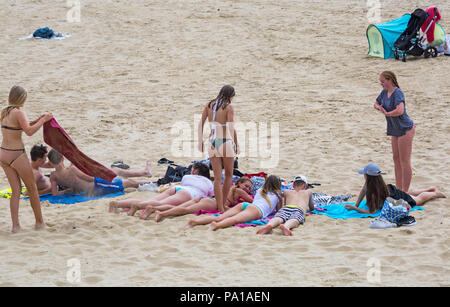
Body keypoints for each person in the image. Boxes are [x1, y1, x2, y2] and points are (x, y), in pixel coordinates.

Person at [0, 85, 53, 232]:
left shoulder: (5, 112)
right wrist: (43, 121)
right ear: (22, 98)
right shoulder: (19, 112)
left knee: (15, 191)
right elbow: (29, 131)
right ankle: (39, 223)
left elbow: (21, 126)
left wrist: (39, 118)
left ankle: (15, 226)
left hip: (3, 154)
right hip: (16, 154)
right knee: (32, 188)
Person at [109, 162, 213, 218]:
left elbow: (183, 184)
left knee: (154, 200)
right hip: (188, 194)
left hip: (177, 188)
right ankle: (139, 206)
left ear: (195, 172)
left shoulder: (187, 177)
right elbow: (211, 195)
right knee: (159, 203)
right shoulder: (208, 182)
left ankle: (118, 204)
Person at [185, 175, 282, 231]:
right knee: (235, 219)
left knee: (219, 217)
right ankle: (216, 226)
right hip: (256, 210)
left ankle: (195, 222)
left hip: (246, 206)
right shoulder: (278, 195)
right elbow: (278, 210)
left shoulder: (261, 190)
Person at [198, 85, 239, 213]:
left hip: (212, 142)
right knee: (228, 174)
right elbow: (231, 128)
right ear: (230, 95)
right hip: (225, 141)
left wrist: (200, 141)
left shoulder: (209, 105)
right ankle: (222, 204)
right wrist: (237, 143)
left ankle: (220, 207)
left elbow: (201, 123)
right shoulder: (228, 107)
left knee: (216, 178)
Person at [345, 163, 446, 214]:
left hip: (396, 200)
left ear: (368, 176)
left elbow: (372, 212)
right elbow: (363, 191)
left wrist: (355, 208)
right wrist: (356, 204)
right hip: (391, 193)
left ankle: (435, 193)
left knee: (417, 200)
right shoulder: (373, 183)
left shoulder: (374, 192)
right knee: (409, 193)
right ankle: (429, 188)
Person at [374, 71, 415, 192]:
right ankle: (399, 189)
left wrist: (388, 114)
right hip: (394, 129)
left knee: (404, 161)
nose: (381, 84)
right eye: (380, 82)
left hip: (405, 128)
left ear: (390, 80)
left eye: (383, 81)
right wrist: (379, 108)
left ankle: (405, 192)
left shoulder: (397, 93)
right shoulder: (384, 92)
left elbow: (400, 110)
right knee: (396, 159)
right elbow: (376, 103)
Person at [47, 149, 149, 196]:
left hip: (91, 189)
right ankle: (157, 181)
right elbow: (90, 178)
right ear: (63, 159)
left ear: (51, 163)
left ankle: (144, 173)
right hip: (97, 187)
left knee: (117, 172)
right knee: (129, 182)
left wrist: (67, 191)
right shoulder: (72, 169)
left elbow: (55, 194)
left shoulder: (53, 176)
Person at [154, 176, 253, 222]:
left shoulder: (230, 188)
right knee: (185, 210)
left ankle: (154, 208)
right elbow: (252, 201)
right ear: (239, 183)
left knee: (179, 207)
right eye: (246, 186)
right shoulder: (240, 191)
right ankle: (162, 213)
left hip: (205, 199)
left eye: (249, 188)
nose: (247, 189)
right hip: (212, 203)